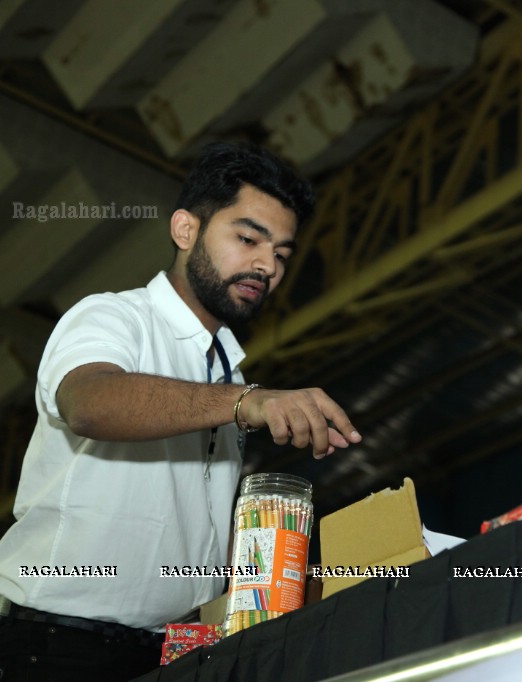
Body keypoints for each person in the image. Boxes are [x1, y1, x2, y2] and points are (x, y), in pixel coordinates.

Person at [0, 142, 361, 680]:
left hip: (173, 653)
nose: (266, 265)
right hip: (59, 644)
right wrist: (248, 403)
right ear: (185, 230)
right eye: (247, 239)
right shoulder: (113, 317)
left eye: (282, 255)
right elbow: (90, 404)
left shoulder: (229, 375)